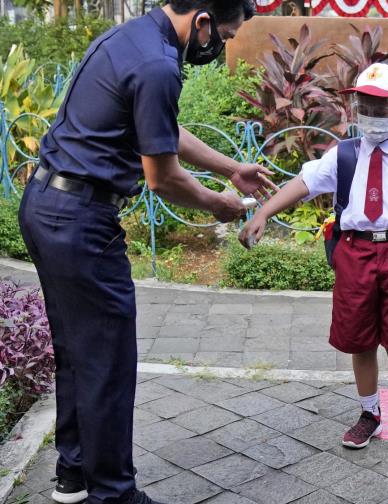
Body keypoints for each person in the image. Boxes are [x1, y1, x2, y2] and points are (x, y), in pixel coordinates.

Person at [17, 1, 274, 503]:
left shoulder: (130, 37)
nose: (220, 45)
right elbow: (163, 178)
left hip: (46, 205)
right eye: (224, 35)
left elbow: (160, 128)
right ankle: (114, 494)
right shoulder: (158, 63)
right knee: (108, 361)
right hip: (81, 221)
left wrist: (229, 168)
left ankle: (74, 473)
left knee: (77, 349)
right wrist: (218, 204)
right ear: (202, 21)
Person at [239, 63, 388, 454]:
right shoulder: (344, 156)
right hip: (355, 253)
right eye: (364, 106)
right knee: (360, 339)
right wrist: (264, 212)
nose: (370, 114)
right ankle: (369, 412)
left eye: (380, 107)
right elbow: (303, 183)